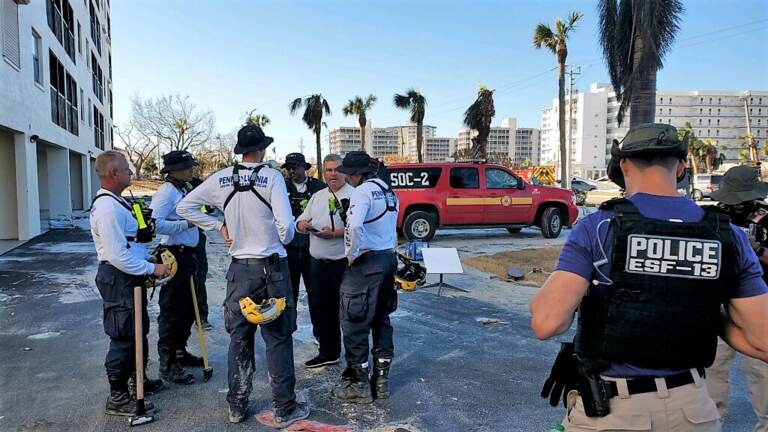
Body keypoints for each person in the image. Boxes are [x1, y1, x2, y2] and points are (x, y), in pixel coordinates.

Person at [530, 123, 768, 431]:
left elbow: (546, 323)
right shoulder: (727, 236)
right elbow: (762, 341)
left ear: (624, 164)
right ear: (681, 167)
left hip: (613, 414)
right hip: (693, 411)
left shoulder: (599, 228)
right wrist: (705, 307)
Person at [177, 125, 310, 427]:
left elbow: (183, 206)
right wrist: (276, 235)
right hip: (272, 267)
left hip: (239, 269)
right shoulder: (273, 177)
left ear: (241, 150)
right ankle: (284, 407)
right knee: (277, 337)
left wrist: (217, 225)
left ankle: (236, 405)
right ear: (262, 149)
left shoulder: (221, 178)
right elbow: (287, 229)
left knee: (240, 336)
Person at [90, 151, 168, 416]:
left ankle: (139, 383)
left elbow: (128, 245)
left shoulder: (117, 202)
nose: (131, 173)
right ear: (113, 173)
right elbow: (116, 254)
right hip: (117, 277)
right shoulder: (107, 208)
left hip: (127, 274)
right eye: (126, 169)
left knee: (137, 331)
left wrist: (147, 257)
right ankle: (118, 396)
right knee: (123, 337)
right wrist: (151, 268)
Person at [332, 151, 399, 404]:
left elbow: (355, 226)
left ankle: (359, 386)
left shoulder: (361, 192)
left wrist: (351, 254)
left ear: (355, 174)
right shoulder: (389, 191)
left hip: (366, 263)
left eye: (348, 172)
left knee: (354, 321)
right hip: (386, 258)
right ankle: (381, 384)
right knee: (381, 319)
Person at [708, 165, 768, 431]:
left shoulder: (766, 218)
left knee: (761, 369)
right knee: (713, 367)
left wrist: (756, 248)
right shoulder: (715, 216)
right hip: (719, 301)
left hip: (758, 302)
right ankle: (709, 422)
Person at [295, 154, 355, 368]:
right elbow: (301, 218)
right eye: (329, 170)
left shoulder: (355, 195)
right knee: (322, 310)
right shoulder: (318, 196)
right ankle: (329, 352)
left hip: (343, 264)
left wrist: (336, 233)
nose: (333, 174)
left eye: (337, 169)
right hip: (318, 264)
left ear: (345, 171)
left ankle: (355, 360)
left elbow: (359, 229)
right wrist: (302, 225)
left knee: (348, 313)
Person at [150, 150, 204, 385]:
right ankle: (168, 364)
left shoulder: (183, 189)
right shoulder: (166, 192)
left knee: (187, 309)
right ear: (173, 170)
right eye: (187, 166)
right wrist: (187, 224)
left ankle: (180, 351)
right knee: (172, 311)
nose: (191, 169)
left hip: (189, 254)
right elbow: (156, 225)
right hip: (174, 254)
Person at [282, 153, 326, 312]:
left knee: (316, 294)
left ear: (304, 168)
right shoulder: (280, 187)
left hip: (312, 249)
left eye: (295, 167)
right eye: (288, 168)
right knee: (288, 295)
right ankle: (288, 331)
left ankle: (320, 334)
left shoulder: (320, 188)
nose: (291, 171)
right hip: (288, 249)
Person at [190, 176, 213, 330]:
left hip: (198, 238)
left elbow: (208, 209)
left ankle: (201, 317)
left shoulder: (198, 185)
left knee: (199, 278)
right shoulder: (174, 191)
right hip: (181, 242)